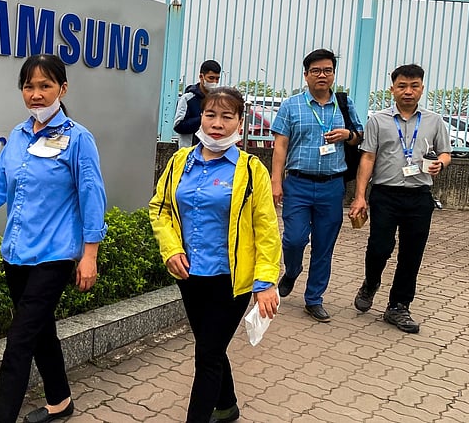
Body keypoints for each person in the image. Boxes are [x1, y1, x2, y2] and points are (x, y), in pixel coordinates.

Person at [0, 54, 107, 423]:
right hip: (16, 254)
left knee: (18, 343)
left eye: (45, 86)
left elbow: (92, 194)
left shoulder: (78, 139)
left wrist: (89, 254)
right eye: (29, 86)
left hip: (55, 255)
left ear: (62, 89)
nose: (36, 94)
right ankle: (61, 401)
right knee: (39, 330)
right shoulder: (18, 136)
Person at [150, 87, 281, 423]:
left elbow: (266, 229)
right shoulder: (181, 161)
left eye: (227, 116)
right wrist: (171, 249)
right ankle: (227, 405)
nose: (217, 124)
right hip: (189, 275)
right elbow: (160, 207)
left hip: (230, 280)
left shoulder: (251, 170)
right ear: (201, 118)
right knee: (212, 347)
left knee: (207, 354)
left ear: (240, 122)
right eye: (211, 115)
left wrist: (266, 281)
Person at [349, 64, 451, 333]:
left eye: (414, 86)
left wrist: (440, 163)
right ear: (392, 88)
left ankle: (398, 306)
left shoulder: (434, 121)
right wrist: (360, 197)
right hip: (385, 194)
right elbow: (367, 157)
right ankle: (371, 282)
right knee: (379, 247)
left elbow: (445, 153)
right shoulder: (378, 120)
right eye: (402, 86)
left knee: (411, 254)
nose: (408, 91)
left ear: (421, 88)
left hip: (419, 196)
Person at [270, 48, 364, 323]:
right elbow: (280, 146)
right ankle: (292, 270)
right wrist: (276, 181)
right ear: (306, 75)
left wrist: (348, 134)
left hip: (332, 186)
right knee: (294, 238)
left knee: (324, 245)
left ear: (333, 74)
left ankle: (314, 298)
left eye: (327, 70)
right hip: (297, 184)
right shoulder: (291, 105)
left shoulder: (344, 104)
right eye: (316, 71)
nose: (322, 75)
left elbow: (360, 137)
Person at [174, 60, 222, 148]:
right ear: (201, 77)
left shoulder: (218, 100)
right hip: (190, 150)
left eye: (217, 79)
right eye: (211, 78)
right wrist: (203, 118)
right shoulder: (187, 98)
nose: (214, 82)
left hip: (212, 151)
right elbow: (178, 126)